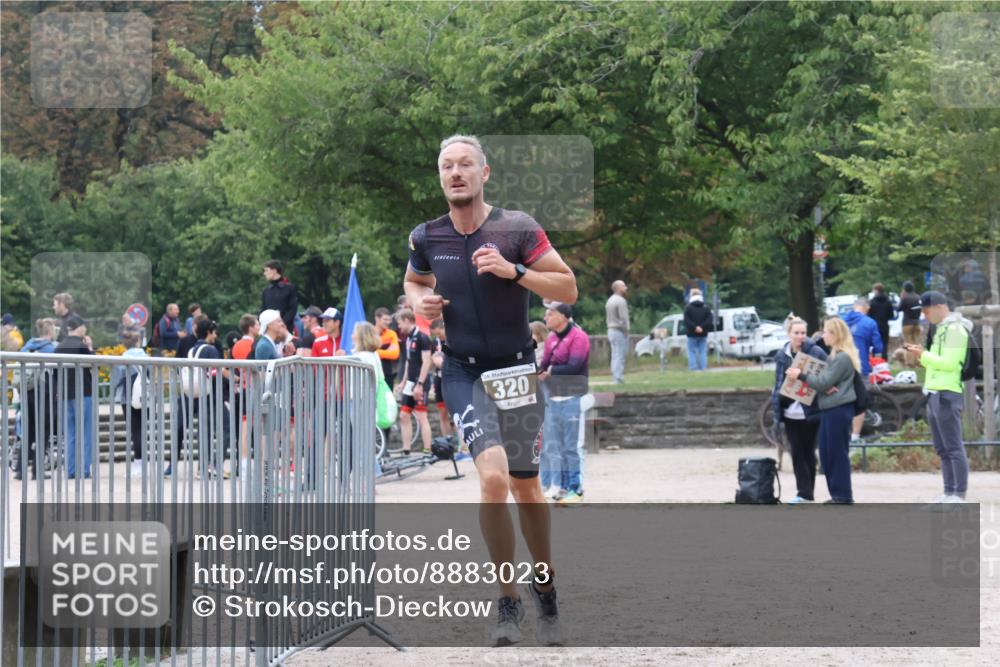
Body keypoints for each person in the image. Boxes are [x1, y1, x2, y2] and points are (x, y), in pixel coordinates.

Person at [404, 134, 576, 646]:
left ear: (485, 173)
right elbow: (415, 283)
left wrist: (515, 270)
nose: (455, 173)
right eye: (446, 166)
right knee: (494, 480)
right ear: (440, 176)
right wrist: (423, 302)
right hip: (463, 372)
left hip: (518, 371)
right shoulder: (427, 236)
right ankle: (507, 600)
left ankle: (543, 586)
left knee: (526, 487)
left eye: (465, 165)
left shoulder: (516, 228)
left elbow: (567, 287)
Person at [904, 291, 973, 503]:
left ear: (940, 307)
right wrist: (922, 355)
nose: (924, 314)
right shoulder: (940, 329)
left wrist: (923, 355)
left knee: (953, 446)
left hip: (947, 393)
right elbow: (937, 362)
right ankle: (948, 490)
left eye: (926, 309)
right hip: (935, 392)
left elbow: (951, 363)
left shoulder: (955, 331)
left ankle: (958, 494)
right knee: (942, 448)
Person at [785, 318, 859, 504]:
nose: (823, 335)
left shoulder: (841, 357)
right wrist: (822, 384)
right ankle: (837, 494)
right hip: (830, 409)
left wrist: (799, 375)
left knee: (836, 453)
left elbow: (822, 382)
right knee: (827, 453)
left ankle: (843, 495)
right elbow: (824, 382)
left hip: (838, 410)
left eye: (826, 332)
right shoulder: (834, 356)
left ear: (835, 335)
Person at [771, 316, 828, 504]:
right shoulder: (782, 355)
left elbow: (827, 374)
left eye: (803, 332)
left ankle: (806, 493)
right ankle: (804, 492)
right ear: (789, 333)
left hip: (810, 411)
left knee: (808, 451)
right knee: (796, 452)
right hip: (789, 412)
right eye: (796, 332)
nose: (800, 336)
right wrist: (777, 406)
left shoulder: (816, 352)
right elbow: (778, 382)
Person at [538, 302, 590, 504]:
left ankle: (576, 489)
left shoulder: (579, 337)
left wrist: (550, 371)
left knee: (571, 447)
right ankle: (563, 487)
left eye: (550, 314)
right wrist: (542, 371)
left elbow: (574, 366)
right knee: (557, 446)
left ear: (563, 316)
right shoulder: (551, 339)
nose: (546, 318)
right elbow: (544, 364)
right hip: (553, 398)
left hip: (573, 398)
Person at [14, 318, 58, 480]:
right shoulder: (51, 348)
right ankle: (37, 470)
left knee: (28, 430)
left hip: (27, 391)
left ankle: (20, 469)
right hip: (44, 391)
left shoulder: (28, 346)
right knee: (43, 430)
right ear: (50, 332)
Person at [54, 316, 96, 480]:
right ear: (79, 328)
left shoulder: (59, 346)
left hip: (64, 394)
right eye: (84, 327)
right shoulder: (81, 346)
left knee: (70, 433)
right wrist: (90, 346)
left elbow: (56, 372)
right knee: (85, 432)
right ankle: (84, 470)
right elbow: (93, 363)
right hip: (83, 393)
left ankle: (70, 470)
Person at [841, 296, 883, 442]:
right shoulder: (870, 323)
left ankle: (842, 435)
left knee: (843, 401)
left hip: (841, 368)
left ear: (854, 306)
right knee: (860, 401)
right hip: (860, 366)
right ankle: (855, 437)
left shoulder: (841, 322)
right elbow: (878, 347)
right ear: (867, 308)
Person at [395, 308, 433, 455]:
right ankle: (406, 450)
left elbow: (427, 361)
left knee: (422, 416)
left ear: (406, 320)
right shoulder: (408, 338)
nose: (398, 327)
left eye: (399, 323)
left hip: (420, 383)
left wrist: (420, 384)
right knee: (404, 415)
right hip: (410, 382)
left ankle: (427, 449)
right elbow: (408, 362)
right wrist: (403, 381)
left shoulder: (423, 337)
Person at [111, 331, 148, 477]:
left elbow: (115, 381)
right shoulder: (146, 357)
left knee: (134, 430)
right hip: (145, 397)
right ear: (138, 342)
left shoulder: (123, 359)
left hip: (128, 397)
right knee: (143, 430)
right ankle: (143, 463)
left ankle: (137, 464)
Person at [429, 319, 456, 443]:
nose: (438, 336)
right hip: (439, 379)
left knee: (456, 413)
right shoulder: (434, 342)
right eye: (436, 334)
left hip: (453, 379)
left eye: (439, 334)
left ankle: (463, 445)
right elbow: (431, 359)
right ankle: (447, 442)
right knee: (443, 413)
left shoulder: (454, 339)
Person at [261, 260, 299, 331]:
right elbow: (263, 310)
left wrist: (281, 324)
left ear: (274, 270)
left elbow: (292, 310)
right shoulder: (266, 291)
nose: (264, 273)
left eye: (266, 270)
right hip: (270, 329)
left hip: (286, 328)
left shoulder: (289, 288)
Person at [605, 281, 630, 384]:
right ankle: (618, 378)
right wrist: (626, 331)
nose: (626, 288)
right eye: (623, 286)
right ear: (618, 288)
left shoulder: (610, 300)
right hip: (619, 330)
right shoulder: (621, 301)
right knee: (620, 354)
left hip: (610, 330)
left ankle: (615, 376)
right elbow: (623, 318)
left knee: (615, 355)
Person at [683, 287, 713, 371]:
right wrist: (702, 327)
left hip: (691, 334)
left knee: (691, 352)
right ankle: (703, 367)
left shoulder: (688, 308)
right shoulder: (706, 308)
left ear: (691, 296)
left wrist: (695, 327)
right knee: (702, 351)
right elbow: (709, 320)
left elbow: (686, 321)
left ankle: (693, 368)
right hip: (703, 333)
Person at [374, 307, 400, 388]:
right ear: (377, 318)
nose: (388, 322)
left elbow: (395, 354)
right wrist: (386, 351)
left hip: (388, 373)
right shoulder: (370, 333)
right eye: (385, 319)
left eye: (389, 320)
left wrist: (375, 351)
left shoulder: (391, 334)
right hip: (373, 372)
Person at [898, 281, 922, 367]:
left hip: (907, 323)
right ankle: (918, 361)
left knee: (908, 343)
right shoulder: (919, 297)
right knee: (917, 343)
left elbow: (899, 309)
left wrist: (902, 298)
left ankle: (910, 363)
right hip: (917, 322)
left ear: (905, 289)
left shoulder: (905, 298)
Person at [868, 283, 895, 356]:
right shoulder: (888, 301)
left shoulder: (872, 302)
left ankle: (875, 360)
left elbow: (869, 315)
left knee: (874, 344)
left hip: (874, 326)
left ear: (876, 290)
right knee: (885, 344)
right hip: (884, 325)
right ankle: (884, 359)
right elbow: (891, 315)